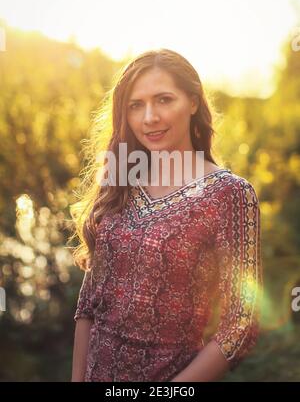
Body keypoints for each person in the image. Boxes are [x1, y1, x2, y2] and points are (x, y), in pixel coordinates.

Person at [70, 48, 263, 382]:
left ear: (192, 102)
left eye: (163, 100)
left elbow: (241, 325)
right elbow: (89, 303)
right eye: (136, 105)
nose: (149, 117)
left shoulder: (228, 193)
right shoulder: (121, 179)